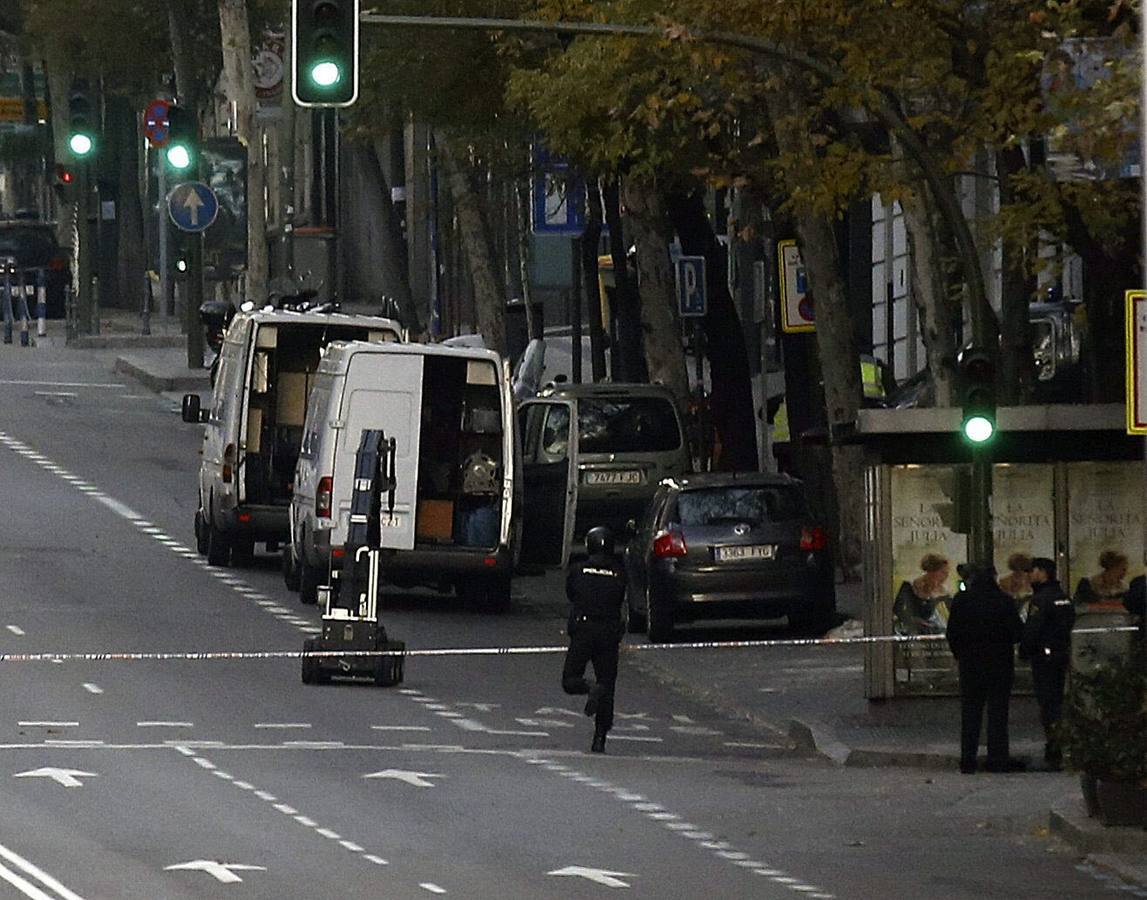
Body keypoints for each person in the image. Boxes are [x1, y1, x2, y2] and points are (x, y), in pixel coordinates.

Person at [946, 563, 1026, 774]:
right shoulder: (1004, 601)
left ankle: (968, 760)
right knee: (998, 713)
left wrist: (960, 654)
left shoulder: (962, 601)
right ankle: (997, 759)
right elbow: (1017, 632)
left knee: (970, 712)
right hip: (1000, 664)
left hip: (970, 665)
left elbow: (952, 633)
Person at [561, 525, 627, 753]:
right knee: (608, 684)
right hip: (609, 633)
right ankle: (600, 738)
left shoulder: (578, 570)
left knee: (570, 680)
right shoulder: (619, 572)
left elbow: (571, 593)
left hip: (584, 629)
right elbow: (619, 597)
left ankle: (590, 687)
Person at [1019, 558, 1075, 770]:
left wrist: (1025, 651)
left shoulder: (1041, 600)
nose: (1028, 575)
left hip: (1044, 658)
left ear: (1042, 572)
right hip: (1060, 655)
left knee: (1049, 704)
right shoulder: (1063, 598)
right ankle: (1058, 746)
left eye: (1031, 571)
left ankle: (1054, 750)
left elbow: (1033, 630)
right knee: (1057, 701)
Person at [893, 553, 952, 635]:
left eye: (947, 573)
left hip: (930, 626)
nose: (945, 576)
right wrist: (914, 621)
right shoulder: (910, 584)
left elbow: (953, 610)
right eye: (942, 572)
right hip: (908, 627)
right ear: (931, 571)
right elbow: (897, 609)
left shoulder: (943, 590)